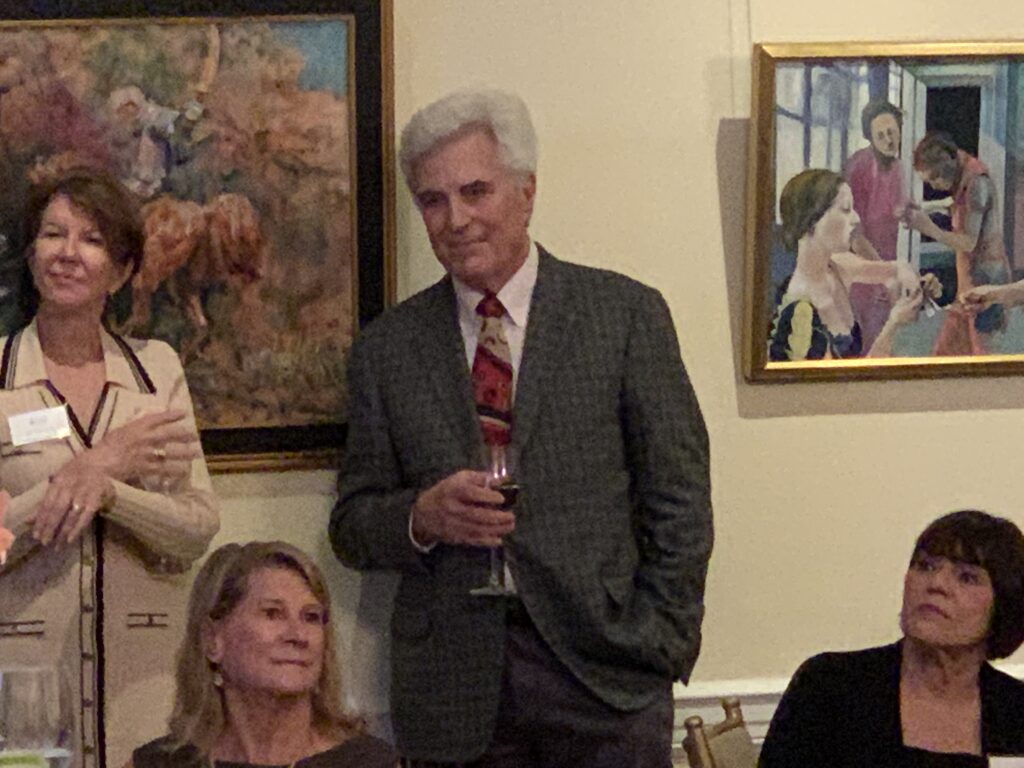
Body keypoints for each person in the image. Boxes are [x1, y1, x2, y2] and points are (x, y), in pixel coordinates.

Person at [329, 89, 713, 767]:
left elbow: (679, 496)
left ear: (527, 192)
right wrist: (420, 516)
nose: (456, 219)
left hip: (605, 678)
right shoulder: (387, 350)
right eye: (433, 200)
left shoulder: (623, 316)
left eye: (476, 191)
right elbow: (353, 524)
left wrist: (661, 639)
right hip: (452, 693)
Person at [0, 167, 219, 768]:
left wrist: (111, 489)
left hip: (147, 686)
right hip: (24, 689)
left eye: (92, 239)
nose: (68, 253)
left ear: (122, 272)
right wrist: (91, 468)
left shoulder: (158, 371)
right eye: (53, 234)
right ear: (31, 254)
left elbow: (197, 528)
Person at [759, 510, 1024, 768]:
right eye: (925, 566)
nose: (936, 584)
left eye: (966, 577)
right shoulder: (830, 685)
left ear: (1005, 603)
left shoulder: (1016, 710)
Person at [129, 541, 398, 768]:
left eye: (311, 617)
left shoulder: (369, 763)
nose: (298, 635)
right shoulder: (160, 763)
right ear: (212, 639)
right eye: (272, 613)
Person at [769, 168, 930, 361]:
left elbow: (897, 268)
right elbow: (846, 379)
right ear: (811, 221)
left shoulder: (837, 265)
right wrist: (893, 324)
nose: (855, 218)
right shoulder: (800, 310)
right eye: (845, 210)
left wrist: (916, 286)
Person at [905, 133, 1012, 354]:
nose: (934, 186)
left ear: (948, 164)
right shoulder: (961, 177)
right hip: (967, 288)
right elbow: (955, 207)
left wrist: (929, 228)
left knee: (983, 359)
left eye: (934, 179)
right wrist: (926, 208)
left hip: (986, 286)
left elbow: (968, 242)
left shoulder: (977, 185)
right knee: (944, 355)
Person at [845, 99, 910, 350]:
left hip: (893, 269)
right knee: (872, 345)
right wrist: (885, 273)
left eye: (892, 132)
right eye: (880, 136)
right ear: (870, 138)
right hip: (866, 273)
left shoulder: (901, 166)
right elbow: (855, 236)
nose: (889, 141)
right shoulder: (859, 167)